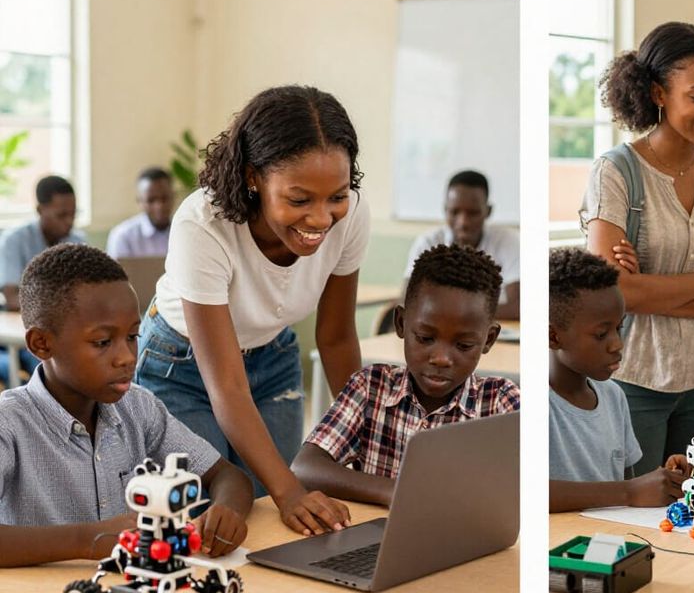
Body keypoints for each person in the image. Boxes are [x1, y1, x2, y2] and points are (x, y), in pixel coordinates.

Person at [0, 244, 253, 593]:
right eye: (103, 342)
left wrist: (227, 509)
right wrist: (91, 538)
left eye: (134, 336)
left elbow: (227, 475)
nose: (126, 356)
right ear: (42, 344)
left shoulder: (138, 408)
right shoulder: (9, 424)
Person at [135, 85, 368, 537]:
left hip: (272, 357)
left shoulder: (352, 215)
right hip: (179, 367)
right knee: (204, 516)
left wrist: (368, 438)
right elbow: (227, 386)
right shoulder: (202, 225)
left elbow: (337, 337)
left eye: (337, 196)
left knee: (271, 518)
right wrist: (290, 490)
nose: (322, 218)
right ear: (253, 178)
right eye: (299, 200)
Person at [581, 22, 694, 468]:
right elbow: (616, 293)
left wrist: (649, 291)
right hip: (632, 379)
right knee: (635, 504)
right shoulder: (616, 173)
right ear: (658, 94)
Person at [294, 244, 520, 506]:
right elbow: (305, 468)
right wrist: (399, 493)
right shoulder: (370, 387)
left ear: (488, 339)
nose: (441, 358)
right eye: (425, 338)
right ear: (401, 323)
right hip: (377, 529)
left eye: (463, 345)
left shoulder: (500, 402)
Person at [548, 247, 692, 512]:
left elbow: (626, 488)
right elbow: (528, 491)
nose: (617, 344)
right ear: (553, 337)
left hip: (609, 535)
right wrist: (630, 491)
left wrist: (664, 480)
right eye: (601, 334)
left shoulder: (613, 395)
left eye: (619, 327)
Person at [403, 169, 520, 320]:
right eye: (454, 212)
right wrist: (471, 313)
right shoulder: (428, 242)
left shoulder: (509, 241)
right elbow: (409, 301)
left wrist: (453, 312)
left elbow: (518, 307)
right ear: (445, 210)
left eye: (473, 213)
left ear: (488, 211)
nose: (463, 222)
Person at [0, 174, 85, 310]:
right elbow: (12, 298)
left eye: (73, 214)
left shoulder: (77, 241)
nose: (69, 221)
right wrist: (54, 310)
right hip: (24, 319)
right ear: (40, 210)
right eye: (61, 215)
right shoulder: (14, 241)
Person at [106, 166, 177, 260]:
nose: (159, 206)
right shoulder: (123, 236)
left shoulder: (184, 231)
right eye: (151, 200)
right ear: (139, 201)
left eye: (164, 198)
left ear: (174, 197)